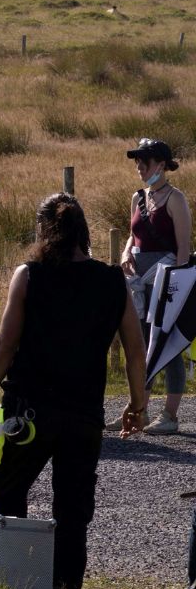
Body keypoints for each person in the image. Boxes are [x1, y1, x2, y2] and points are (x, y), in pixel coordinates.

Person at [0, 193, 148, 589]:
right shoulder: (112, 282)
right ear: (83, 232)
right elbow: (136, 348)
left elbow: (4, 343)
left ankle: (14, 585)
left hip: (28, 412)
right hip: (83, 416)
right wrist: (137, 406)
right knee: (73, 510)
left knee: (5, 492)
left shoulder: (29, 276)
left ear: (42, 231)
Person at [118, 138, 192, 435]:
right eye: (137, 161)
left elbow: (184, 248)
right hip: (139, 284)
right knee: (141, 346)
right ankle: (140, 410)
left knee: (167, 346)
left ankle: (170, 416)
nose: (139, 166)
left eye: (144, 162)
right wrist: (125, 253)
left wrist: (177, 289)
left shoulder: (176, 199)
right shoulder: (138, 198)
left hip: (167, 285)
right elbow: (132, 235)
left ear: (161, 165)